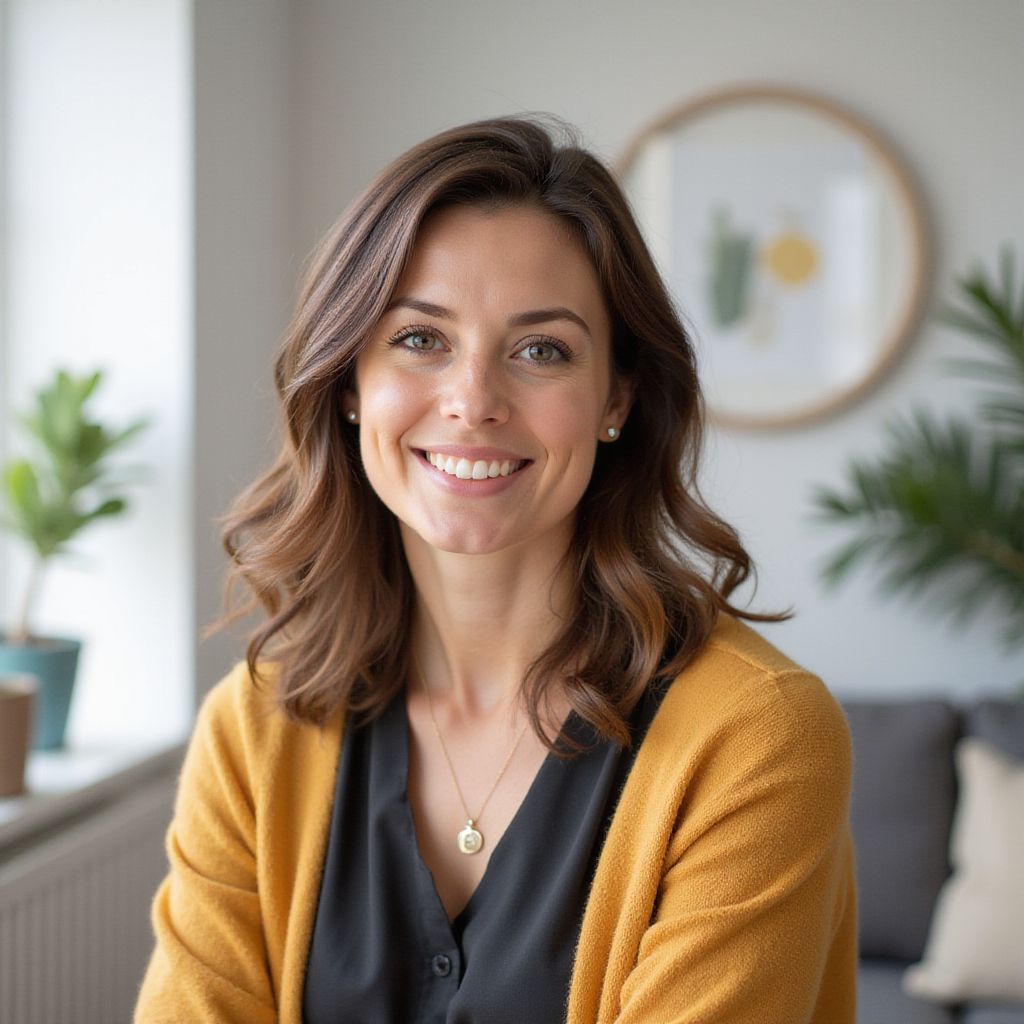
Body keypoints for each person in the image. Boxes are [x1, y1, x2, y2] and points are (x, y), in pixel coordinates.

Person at [135, 114, 857, 1024]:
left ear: (617, 399)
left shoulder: (759, 737)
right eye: (419, 339)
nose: (473, 399)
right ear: (351, 382)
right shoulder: (254, 726)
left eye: (541, 349)